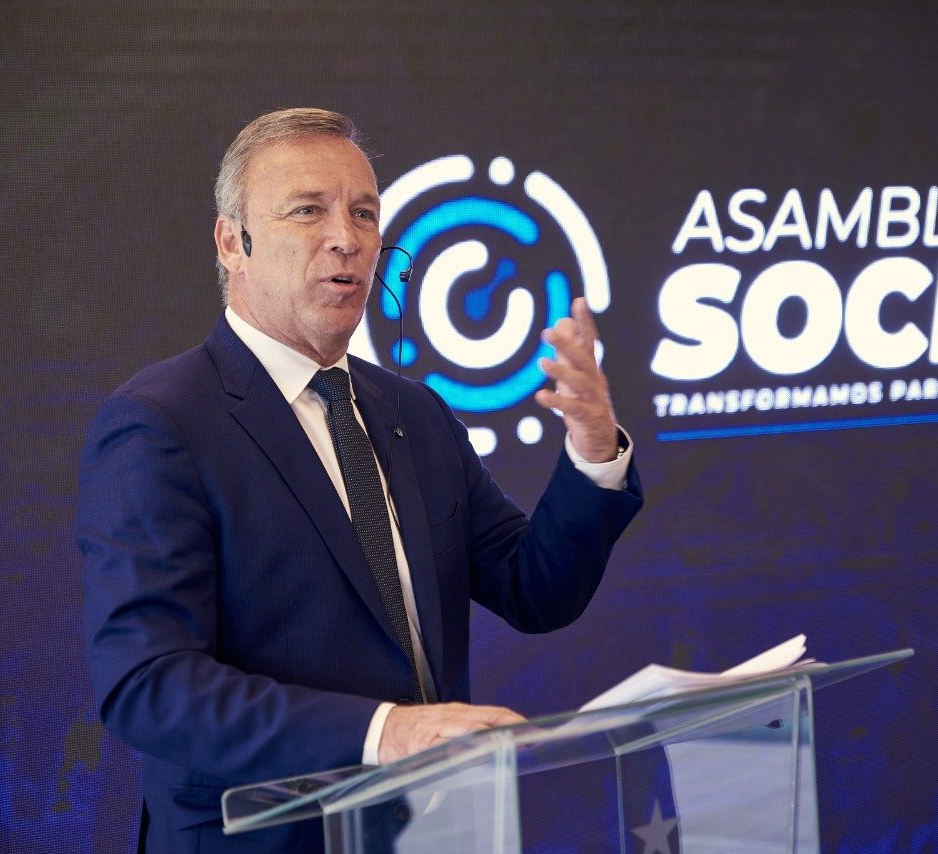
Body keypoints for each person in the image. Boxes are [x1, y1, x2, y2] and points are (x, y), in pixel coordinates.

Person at [77, 107, 643, 853]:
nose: (346, 238)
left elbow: (535, 589)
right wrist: (385, 732)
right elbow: (148, 685)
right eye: (307, 210)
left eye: (364, 213)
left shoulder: (414, 412)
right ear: (232, 242)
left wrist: (594, 452)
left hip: (436, 833)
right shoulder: (162, 423)